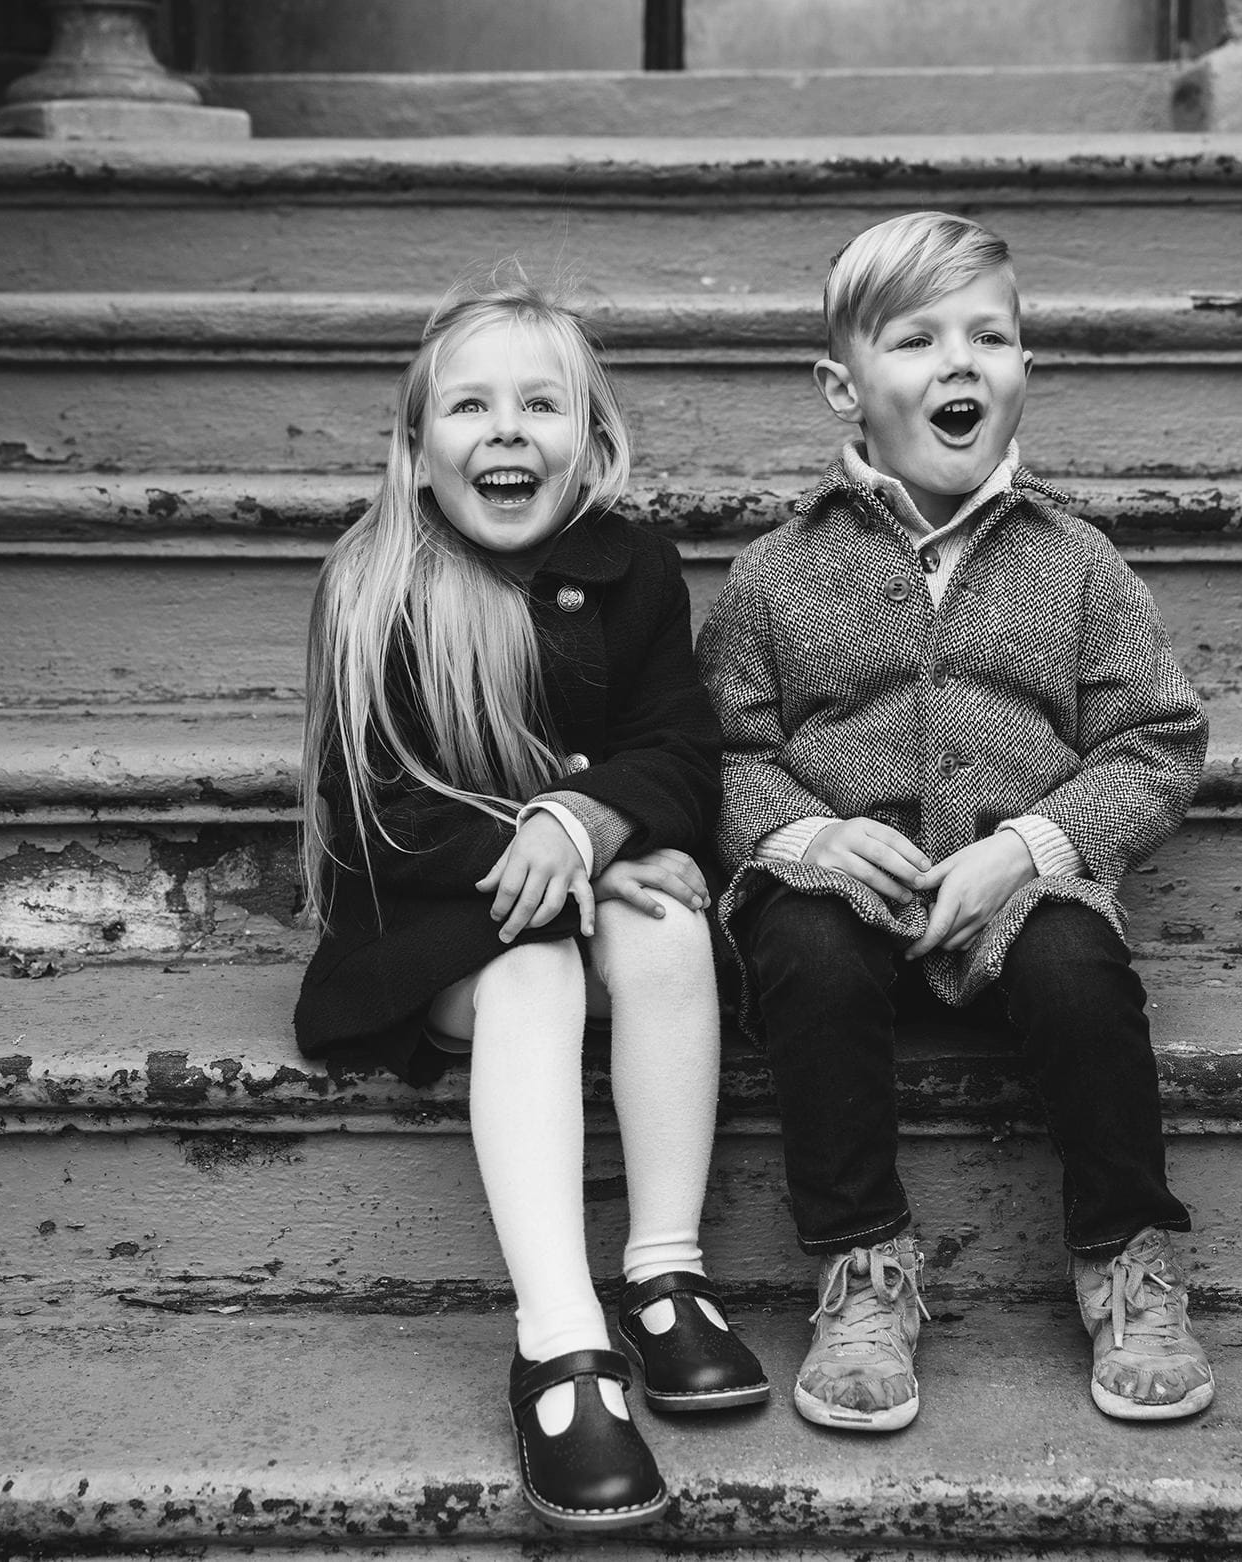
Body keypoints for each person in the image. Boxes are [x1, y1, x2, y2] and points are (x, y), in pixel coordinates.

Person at [696, 211, 1213, 1431]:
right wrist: (802, 838)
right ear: (844, 386)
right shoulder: (774, 572)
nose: (960, 362)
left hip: (1016, 881)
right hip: (837, 880)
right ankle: (861, 1266)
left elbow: (1158, 738)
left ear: (1026, 368)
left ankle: (1127, 1254)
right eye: (918, 339)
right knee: (809, 960)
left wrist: (1028, 848)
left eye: (990, 334)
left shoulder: (1078, 564)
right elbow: (719, 749)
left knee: (1080, 972)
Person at [294, 276, 767, 1531]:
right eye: (467, 405)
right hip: (424, 921)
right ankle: (560, 1345)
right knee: (535, 958)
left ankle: (664, 1270)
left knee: (667, 921)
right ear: (414, 451)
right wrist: (548, 847)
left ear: (590, 444)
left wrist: (588, 824)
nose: (504, 430)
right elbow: (375, 808)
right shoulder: (372, 583)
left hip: (570, 877)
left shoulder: (633, 570)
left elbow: (680, 750)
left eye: (538, 404)